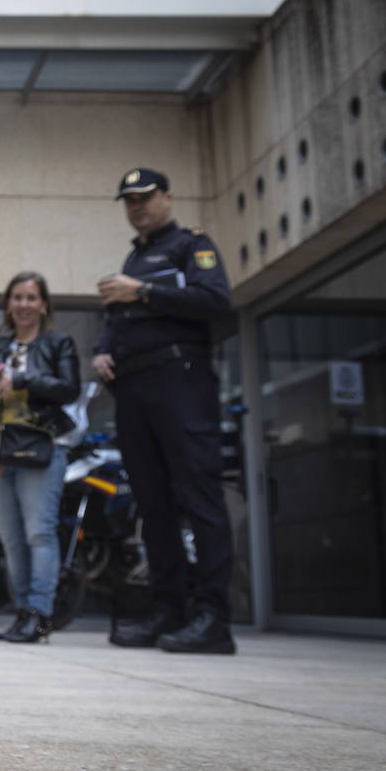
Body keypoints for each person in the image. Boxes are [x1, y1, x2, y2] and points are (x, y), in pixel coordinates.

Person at [93, 167, 236, 654]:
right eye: (129, 200)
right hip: (135, 389)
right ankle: (168, 610)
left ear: (168, 197)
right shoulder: (135, 255)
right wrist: (103, 349)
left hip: (182, 382)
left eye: (145, 197)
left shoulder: (190, 245)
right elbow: (118, 319)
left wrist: (145, 291)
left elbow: (217, 302)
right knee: (152, 506)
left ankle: (214, 618)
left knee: (200, 497)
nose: (137, 206)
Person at [0, 272, 79, 643]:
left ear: (44, 304)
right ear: (7, 304)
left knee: (39, 532)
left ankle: (40, 614)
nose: (23, 304)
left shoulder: (57, 343)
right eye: (17, 297)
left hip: (41, 449)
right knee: (11, 538)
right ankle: (21, 614)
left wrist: (23, 381)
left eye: (31, 297)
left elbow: (68, 388)